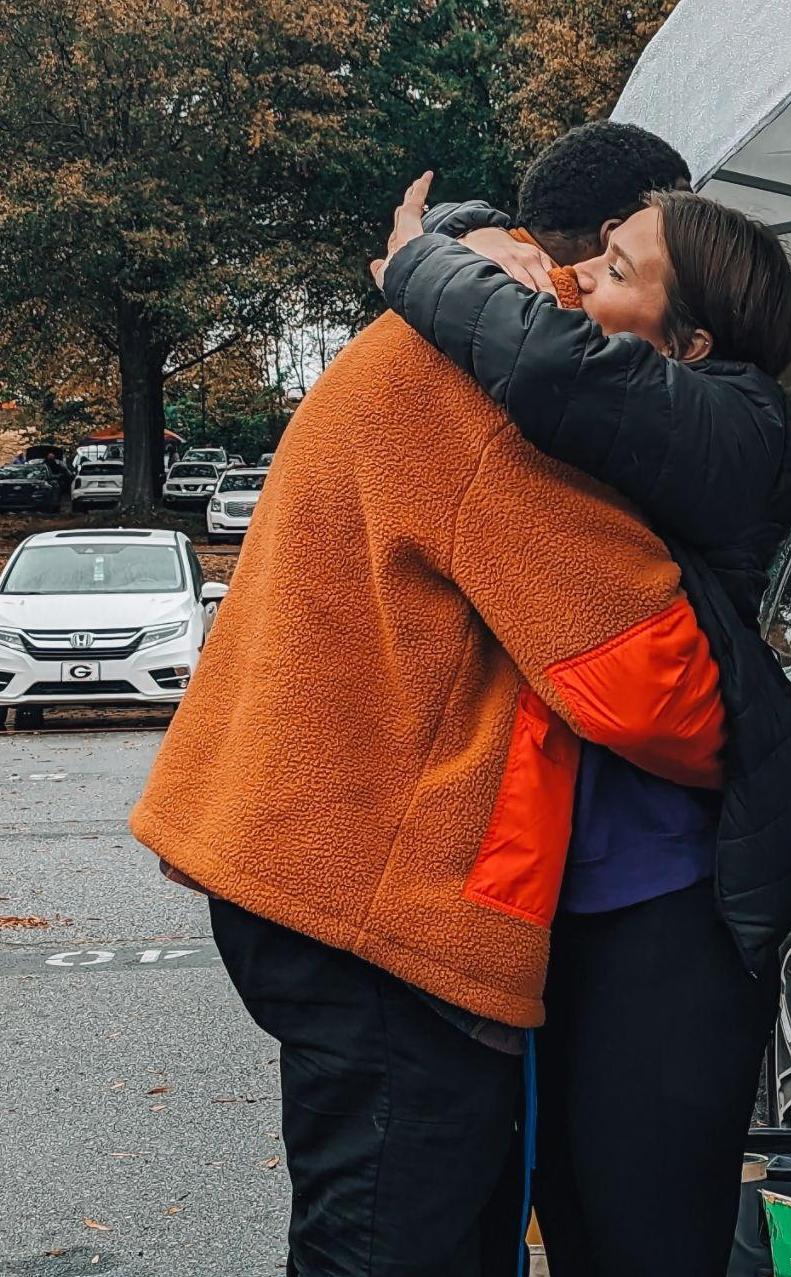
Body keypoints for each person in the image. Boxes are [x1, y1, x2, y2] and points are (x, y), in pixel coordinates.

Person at [130, 123, 727, 1277]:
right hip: (371, 900)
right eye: (666, 249)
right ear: (619, 240)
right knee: (400, 1239)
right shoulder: (496, 375)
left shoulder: (439, 334)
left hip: (312, 859)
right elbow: (641, 672)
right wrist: (764, 765)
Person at [375, 150, 791, 1277]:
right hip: (561, 898)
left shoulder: (741, 428)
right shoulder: (640, 417)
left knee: (641, 1235)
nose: (577, 282)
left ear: (685, 346)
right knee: (569, 1214)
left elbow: (553, 366)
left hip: (664, 904)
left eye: (614, 270)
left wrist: (416, 264)